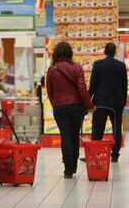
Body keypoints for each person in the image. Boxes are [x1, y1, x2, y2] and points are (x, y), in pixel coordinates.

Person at [46, 42, 95, 179]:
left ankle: (67, 169)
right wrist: (89, 105)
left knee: (65, 136)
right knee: (74, 136)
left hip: (60, 108)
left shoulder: (52, 69)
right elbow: (82, 89)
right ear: (70, 53)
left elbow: (50, 91)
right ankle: (73, 165)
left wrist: (55, 105)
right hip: (77, 107)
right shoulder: (77, 68)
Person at [89, 42, 128, 163]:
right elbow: (124, 86)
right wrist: (123, 102)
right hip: (116, 103)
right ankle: (115, 154)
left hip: (100, 102)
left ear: (105, 51)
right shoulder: (121, 66)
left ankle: (96, 152)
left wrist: (88, 101)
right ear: (115, 52)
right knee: (116, 128)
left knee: (98, 128)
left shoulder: (98, 64)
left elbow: (93, 85)